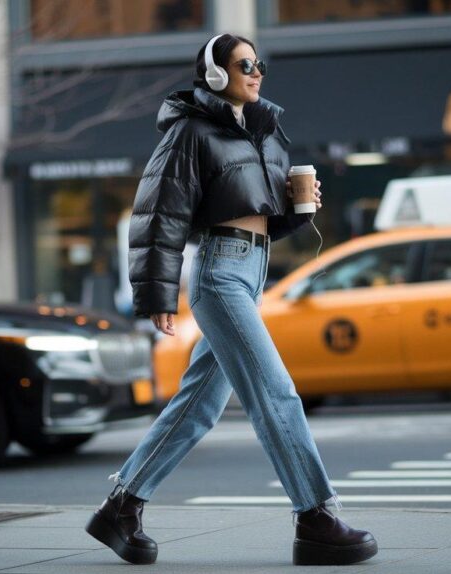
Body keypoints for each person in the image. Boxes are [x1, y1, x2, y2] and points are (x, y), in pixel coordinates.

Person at [84, 34, 378, 567]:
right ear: (215, 73)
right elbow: (158, 211)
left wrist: (297, 211)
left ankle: (120, 507)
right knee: (276, 392)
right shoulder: (191, 131)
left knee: (201, 404)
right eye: (245, 64)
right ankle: (315, 516)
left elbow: (264, 217)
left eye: (259, 63)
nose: (257, 71)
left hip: (253, 270)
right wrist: (156, 291)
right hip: (219, 274)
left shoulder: (263, 128)